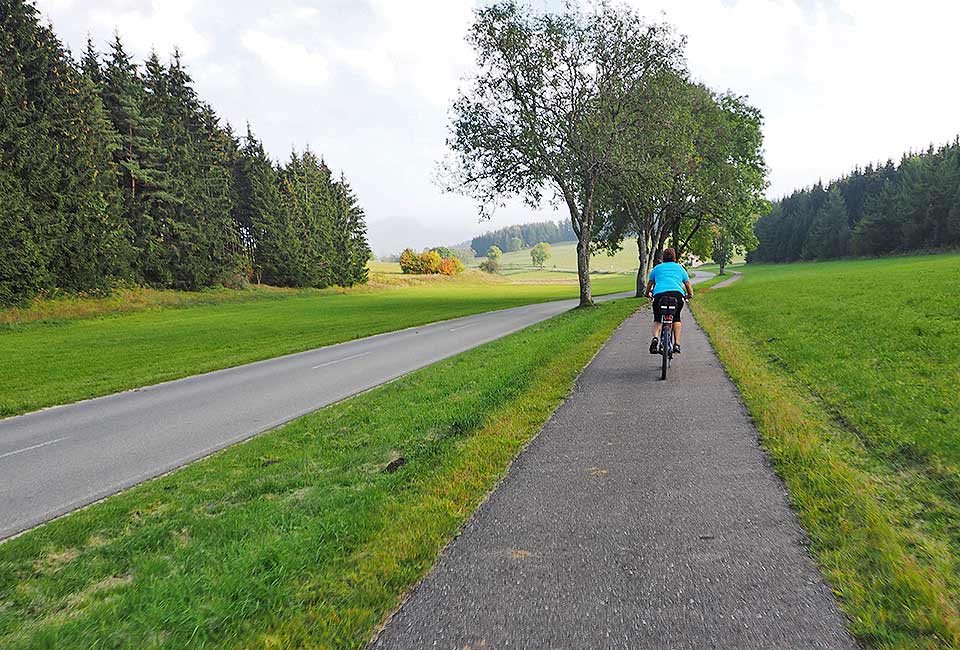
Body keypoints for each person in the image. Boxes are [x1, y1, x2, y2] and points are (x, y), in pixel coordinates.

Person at [645, 248, 693, 355]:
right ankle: (677, 344)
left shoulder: (657, 268)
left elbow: (650, 284)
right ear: (674, 258)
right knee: (676, 318)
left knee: (657, 319)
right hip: (677, 295)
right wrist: (689, 295)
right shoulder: (680, 268)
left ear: (663, 258)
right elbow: (687, 284)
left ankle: (655, 338)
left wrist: (647, 293)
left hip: (659, 296)